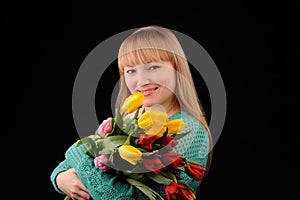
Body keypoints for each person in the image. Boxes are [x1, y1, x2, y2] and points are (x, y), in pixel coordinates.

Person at [50, 25, 213, 200]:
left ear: (177, 69)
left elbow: (124, 197)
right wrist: (60, 178)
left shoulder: (191, 132)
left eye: (153, 67)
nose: (141, 81)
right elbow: (67, 168)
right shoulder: (131, 122)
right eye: (131, 71)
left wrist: (77, 151)